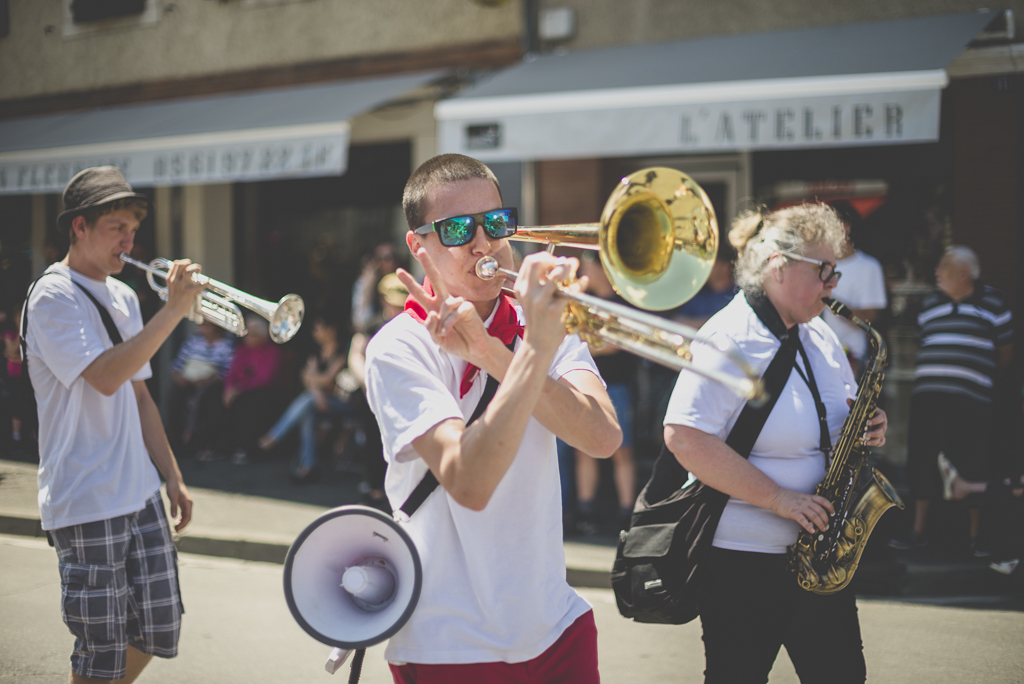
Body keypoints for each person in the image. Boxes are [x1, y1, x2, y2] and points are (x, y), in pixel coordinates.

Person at [365, 153, 621, 682]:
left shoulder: (540, 320)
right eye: (457, 229)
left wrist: (495, 354)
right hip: (448, 640)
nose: (483, 244)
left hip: (556, 624)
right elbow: (469, 482)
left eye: (497, 223)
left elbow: (601, 436)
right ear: (419, 246)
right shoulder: (398, 348)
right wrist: (531, 356)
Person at [663, 203, 888, 684]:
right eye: (823, 270)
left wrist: (870, 426)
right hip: (741, 561)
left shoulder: (821, 334)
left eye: (836, 270)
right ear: (778, 266)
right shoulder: (728, 337)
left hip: (820, 557)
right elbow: (684, 436)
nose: (833, 284)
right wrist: (779, 499)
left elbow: (841, 416)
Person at [21, 166, 201, 683]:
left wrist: (171, 474)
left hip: (138, 492)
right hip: (86, 497)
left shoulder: (123, 297)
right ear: (79, 227)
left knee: (160, 629)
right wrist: (172, 313)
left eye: (132, 230)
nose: (129, 241)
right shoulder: (53, 296)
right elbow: (104, 377)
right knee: (99, 650)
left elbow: (138, 394)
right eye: (116, 228)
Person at [890, 245, 1013, 555]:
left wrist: (976, 376)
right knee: (921, 460)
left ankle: (976, 538)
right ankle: (918, 532)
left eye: (943, 266)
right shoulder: (929, 303)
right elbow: (924, 343)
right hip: (928, 395)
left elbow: (1005, 353)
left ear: (964, 273)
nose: (937, 272)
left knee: (973, 462)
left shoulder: (994, 302)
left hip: (972, 398)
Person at [573, 253, 638, 534]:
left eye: (588, 267)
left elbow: (615, 344)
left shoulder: (620, 304)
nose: (584, 273)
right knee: (583, 451)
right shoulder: (581, 302)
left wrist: (581, 344)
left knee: (622, 452)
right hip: (586, 386)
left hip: (617, 386)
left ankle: (627, 513)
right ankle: (586, 512)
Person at [258, 314, 348, 481]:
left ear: (332, 330)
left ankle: (274, 437)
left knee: (308, 400)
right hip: (319, 401)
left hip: (342, 402)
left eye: (318, 328)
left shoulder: (342, 353)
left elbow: (329, 381)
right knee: (308, 411)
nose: (315, 333)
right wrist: (317, 391)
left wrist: (314, 381)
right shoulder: (315, 353)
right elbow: (305, 377)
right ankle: (309, 466)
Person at [821, 201, 887, 376]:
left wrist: (828, 299)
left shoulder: (869, 267)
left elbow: (869, 320)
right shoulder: (816, 264)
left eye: (826, 224)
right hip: (816, 355)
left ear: (846, 226)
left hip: (851, 357)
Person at [217, 315, 283, 465]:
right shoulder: (242, 350)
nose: (247, 338)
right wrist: (229, 389)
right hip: (239, 390)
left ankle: (247, 448)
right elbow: (231, 373)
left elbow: (266, 378)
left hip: (262, 392)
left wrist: (239, 389)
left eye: (252, 335)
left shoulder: (272, 352)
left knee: (248, 402)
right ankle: (221, 446)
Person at [168, 319, 235, 457]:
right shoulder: (193, 340)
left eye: (207, 325)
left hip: (212, 385)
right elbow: (176, 366)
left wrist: (208, 380)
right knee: (173, 393)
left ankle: (198, 440)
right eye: (201, 324)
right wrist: (181, 378)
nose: (202, 328)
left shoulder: (227, 344)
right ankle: (174, 437)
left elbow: (228, 372)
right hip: (188, 382)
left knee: (206, 396)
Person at [351, 242, 399, 334]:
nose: (383, 263)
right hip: (373, 330)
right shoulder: (366, 283)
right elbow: (359, 321)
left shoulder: (402, 281)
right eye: (379, 259)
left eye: (388, 258)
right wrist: (368, 285)